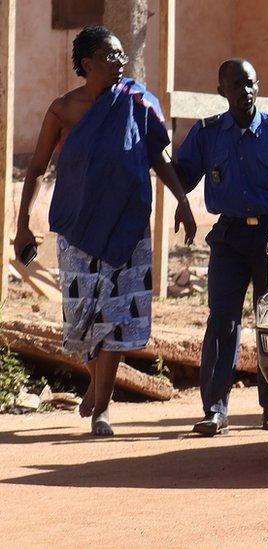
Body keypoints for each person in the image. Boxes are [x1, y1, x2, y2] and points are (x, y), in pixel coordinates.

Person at [12, 26, 196, 436]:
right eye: (111, 56)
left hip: (127, 227)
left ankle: (102, 407)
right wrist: (23, 223)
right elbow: (37, 168)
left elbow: (159, 158)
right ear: (88, 62)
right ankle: (96, 383)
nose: (121, 63)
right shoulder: (62, 110)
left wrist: (182, 199)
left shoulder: (136, 102)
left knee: (114, 317)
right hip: (78, 228)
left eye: (122, 57)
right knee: (83, 316)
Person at [174, 58, 268, 436]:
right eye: (237, 85)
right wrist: (182, 202)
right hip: (229, 238)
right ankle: (215, 411)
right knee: (222, 320)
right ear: (222, 91)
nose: (246, 91)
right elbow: (180, 176)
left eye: (251, 83)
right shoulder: (207, 135)